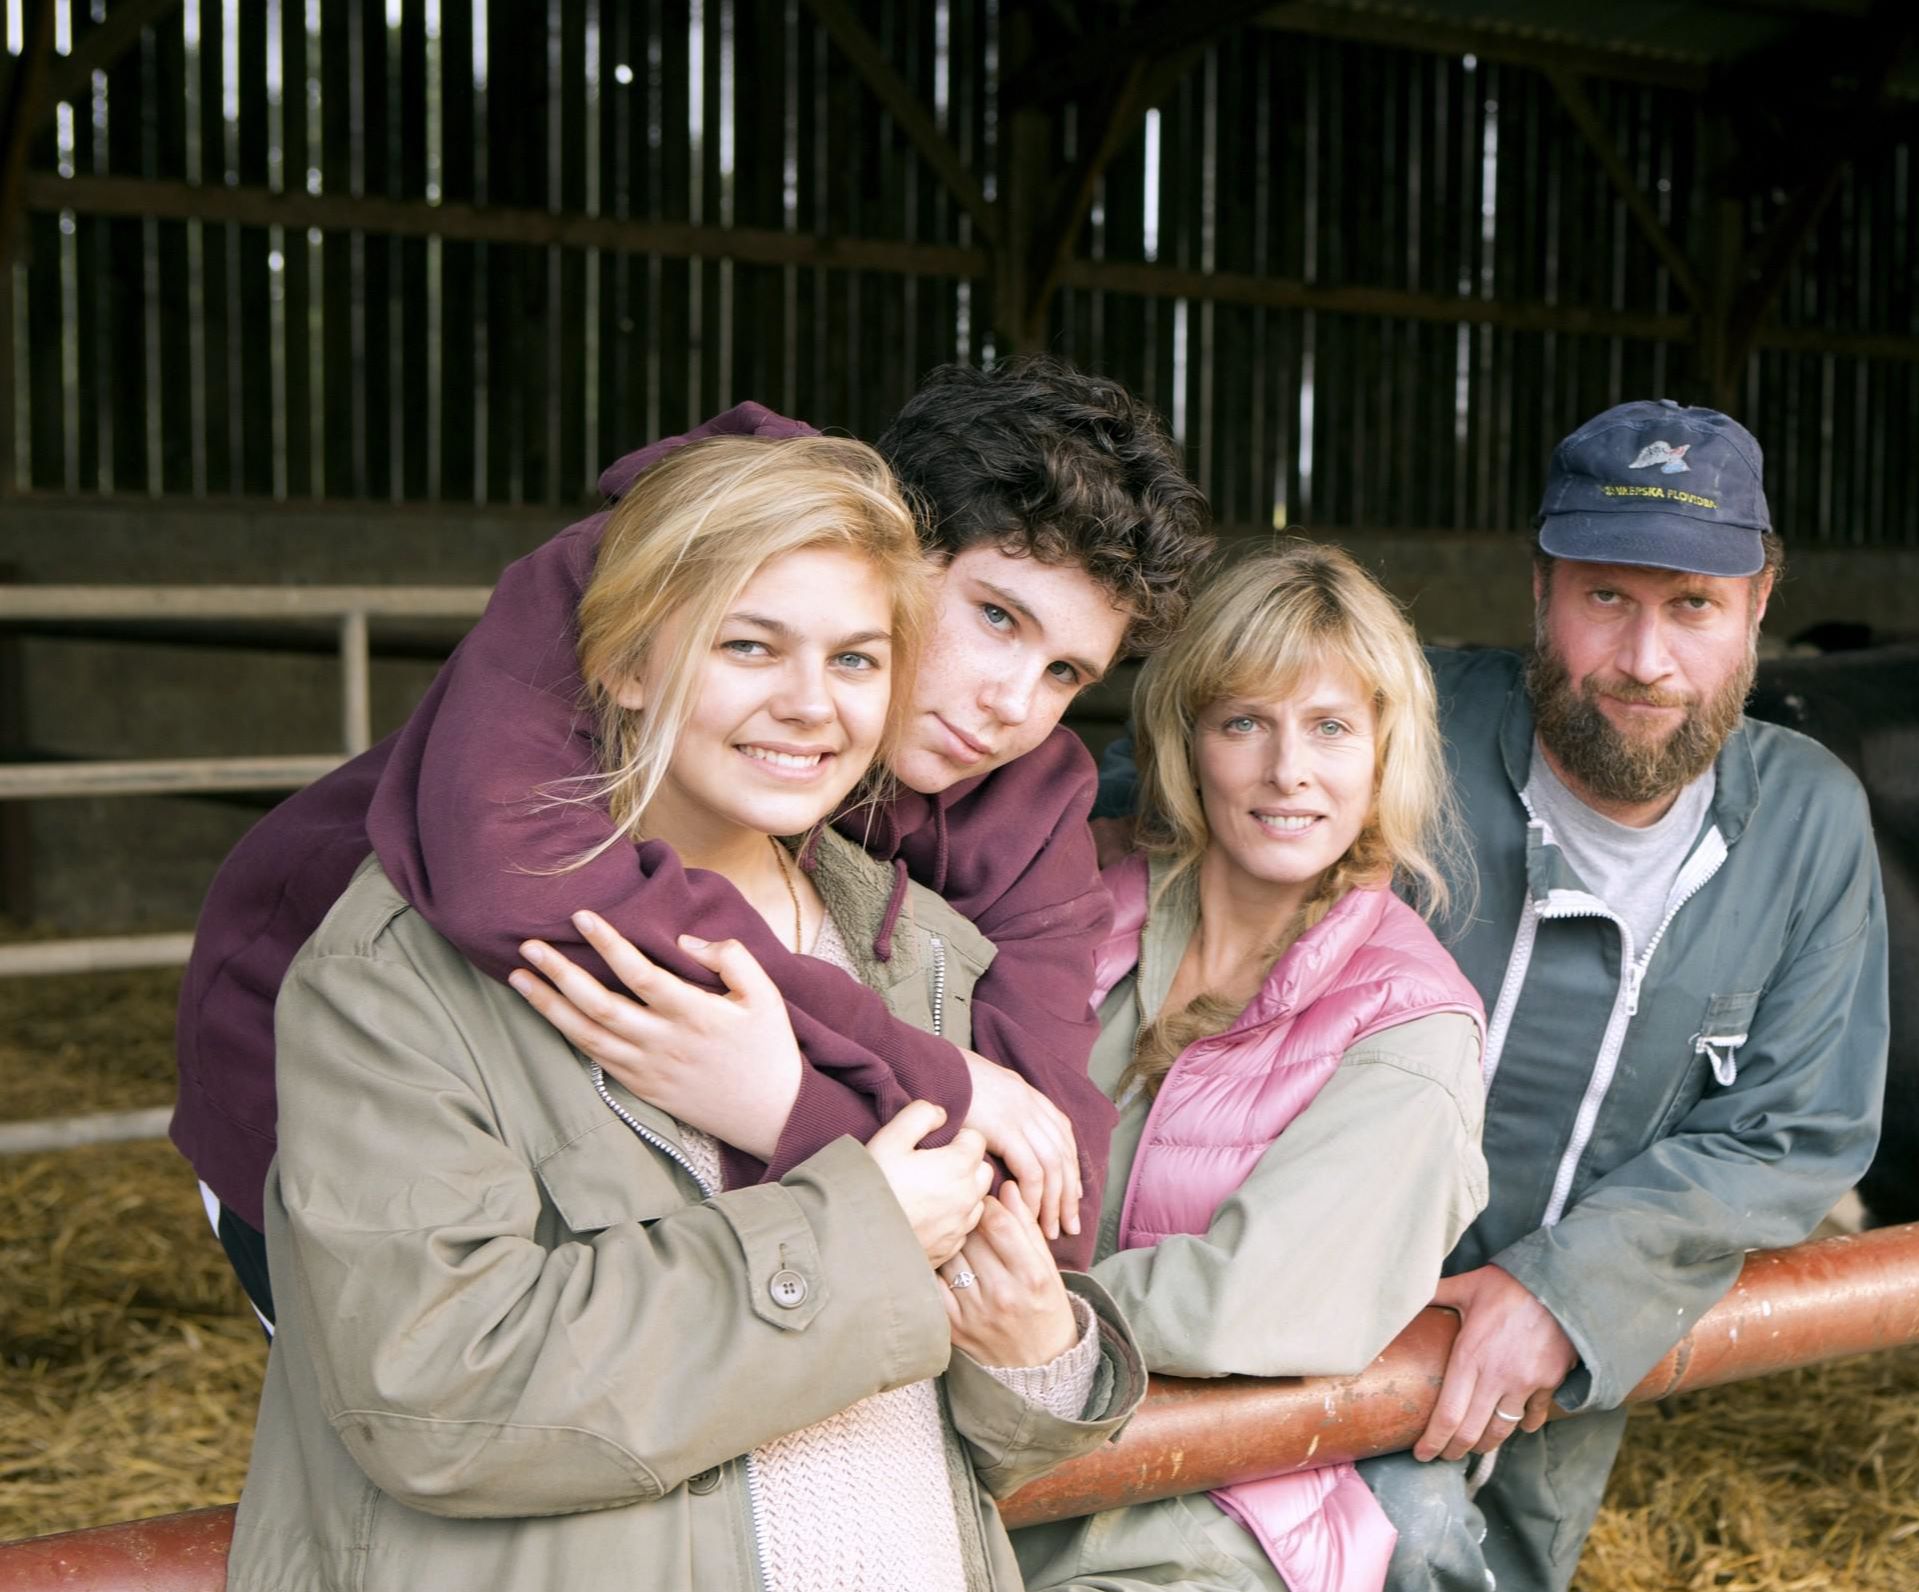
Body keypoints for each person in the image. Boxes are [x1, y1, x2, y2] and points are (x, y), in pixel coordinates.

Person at [222, 434, 1146, 1592]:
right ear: (626, 657)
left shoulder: (921, 949)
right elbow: (434, 1391)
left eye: (855, 661)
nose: (812, 706)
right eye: (748, 646)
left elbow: (972, 1403)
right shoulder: (402, 972)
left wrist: (1039, 1362)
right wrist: (854, 1244)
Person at [1102, 402, 1892, 1592]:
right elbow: (1155, 809)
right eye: (1604, 598)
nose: (1645, 658)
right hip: (1293, 1318)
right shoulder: (1389, 726)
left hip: (1567, 1340)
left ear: (1759, 606)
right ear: (1540, 592)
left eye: (1693, 604)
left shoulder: (1807, 820)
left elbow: (1798, 1127)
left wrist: (1569, 1287)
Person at [177, 357, 1210, 1319]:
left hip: (644, 1160)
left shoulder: (1027, 795)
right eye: (997, 618)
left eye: (1068, 674)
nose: (1013, 706)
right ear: (890, 534)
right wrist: (931, 1087)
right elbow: (519, 882)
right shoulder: (666, 575)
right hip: (331, 1086)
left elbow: (1051, 1173)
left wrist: (794, 1111)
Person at [1016, 546, 1490, 1592]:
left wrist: (966, 1306)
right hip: (994, 1484)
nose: (1289, 772)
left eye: (1332, 728)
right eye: (1247, 723)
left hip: (1208, 1537)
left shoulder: (1411, 1029)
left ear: (1385, 752)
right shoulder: (1078, 910)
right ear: (1187, 740)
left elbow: (1248, 1305)